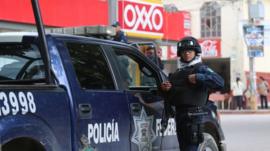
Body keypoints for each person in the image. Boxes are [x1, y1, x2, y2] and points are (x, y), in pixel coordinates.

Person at [160, 36, 224, 151]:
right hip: (180, 116)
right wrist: (167, 88)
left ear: (196, 52)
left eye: (190, 51)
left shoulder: (201, 68)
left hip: (194, 116)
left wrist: (199, 77)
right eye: (184, 52)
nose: (187, 54)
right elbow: (175, 95)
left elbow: (219, 82)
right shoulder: (177, 73)